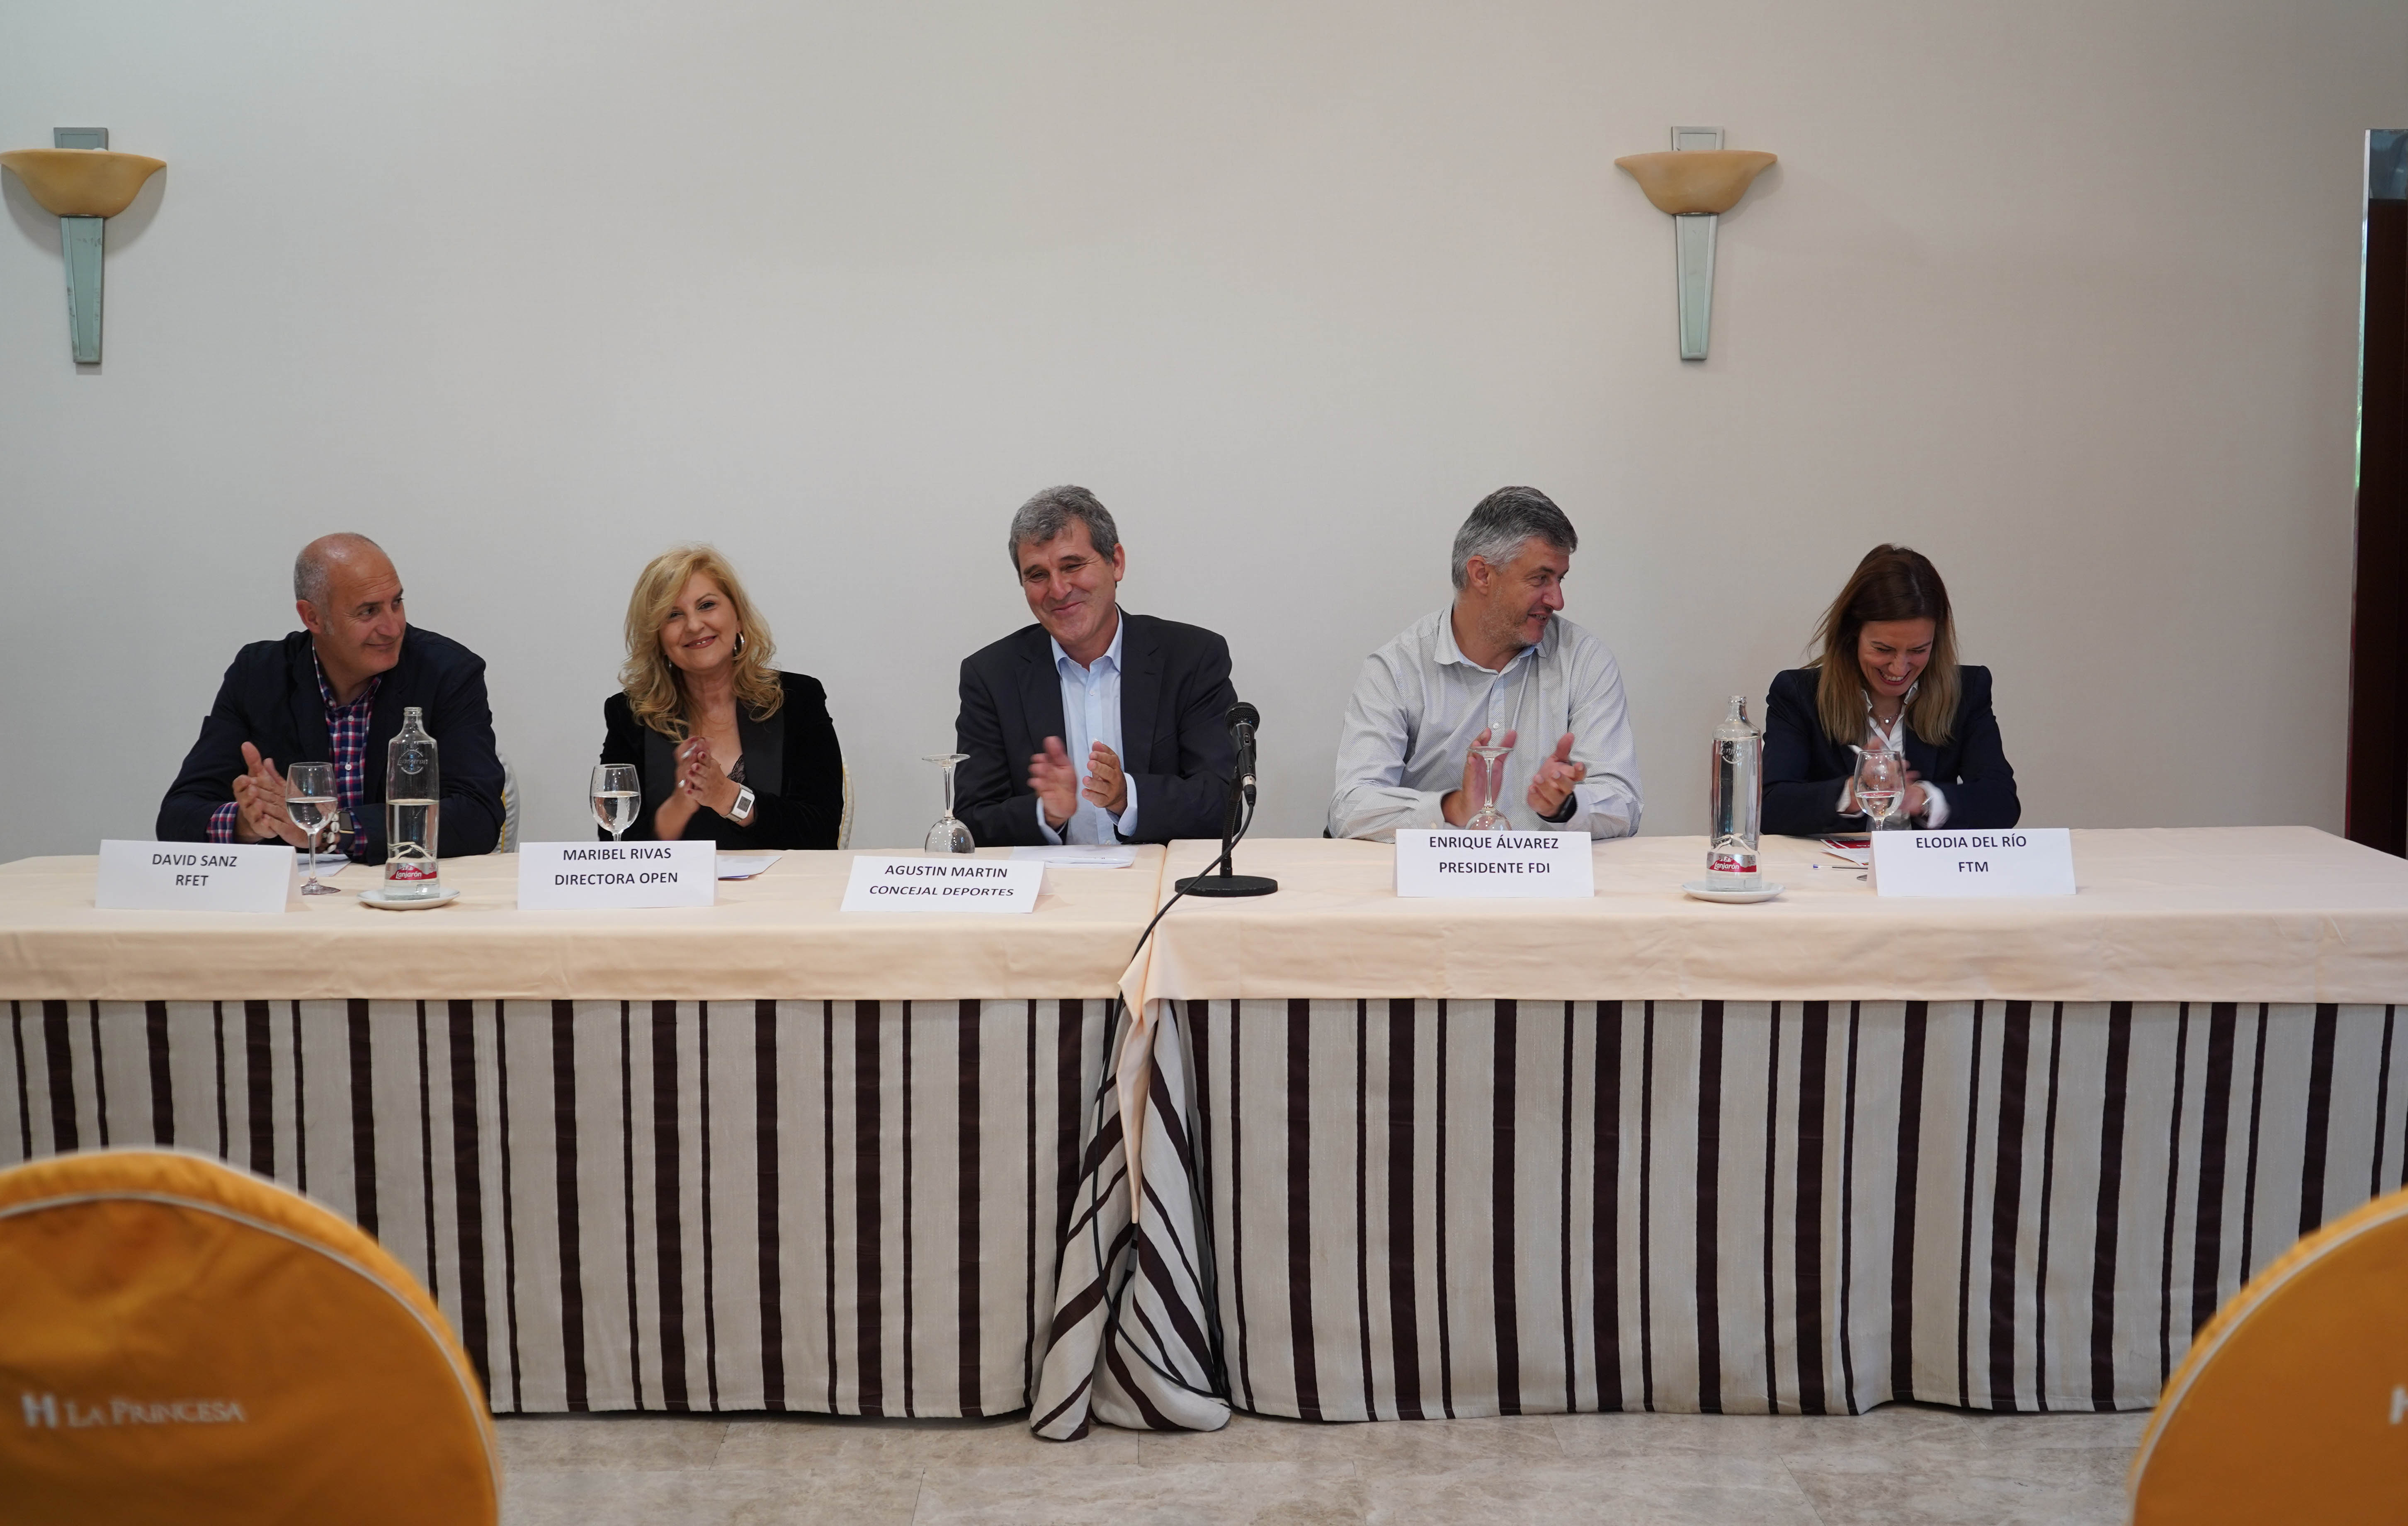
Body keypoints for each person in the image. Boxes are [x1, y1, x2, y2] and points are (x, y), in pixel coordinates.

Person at [158, 534, 506, 859]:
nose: (393, 627)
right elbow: (178, 815)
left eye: (396, 603)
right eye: (369, 611)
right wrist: (248, 823)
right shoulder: (258, 675)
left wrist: (334, 830)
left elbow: (478, 816)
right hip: (298, 895)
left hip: (404, 887)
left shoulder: (446, 673)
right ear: (313, 617)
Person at [1329, 486, 1642, 839]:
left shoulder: (1584, 661)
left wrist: (1567, 805)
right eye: (1541, 578)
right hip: (1439, 872)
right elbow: (1351, 808)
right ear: (1481, 574)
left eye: (1560, 579)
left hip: (1546, 873)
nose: (1557, 600)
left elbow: (1624, 803)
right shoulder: (1398, 669)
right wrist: (1452, 808)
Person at [952, 485, 1240, 847]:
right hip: (1051, 881)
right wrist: (1045, 814)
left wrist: (1126, 796)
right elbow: (972, 821)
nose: (1058, 590)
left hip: (1163, 877)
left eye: (1072, 566)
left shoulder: (1191, 658)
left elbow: (1224, 803)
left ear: (1116, 562)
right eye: (1038, 575)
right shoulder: (992, 676)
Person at [1761, 544, 2019, 835]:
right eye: (1883, 649)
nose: (1899, 668)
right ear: (1851, 635)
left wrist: (1924, 799)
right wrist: (1853, 794)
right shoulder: (1799, 694)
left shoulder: (1967, 691)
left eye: (1918, 650)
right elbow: (1771, 807)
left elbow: (2002, 803)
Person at [597, 546, 844, 849]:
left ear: (738, 617)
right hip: (679, 883)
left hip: (782, 881)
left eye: (707, 605)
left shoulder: (797, 699)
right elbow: (616, 843)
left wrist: (728, 796)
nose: (694, 625)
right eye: (673, 615)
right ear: (657, 637)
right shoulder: (630, 715)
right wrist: (680, 805)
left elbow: (822, 832)